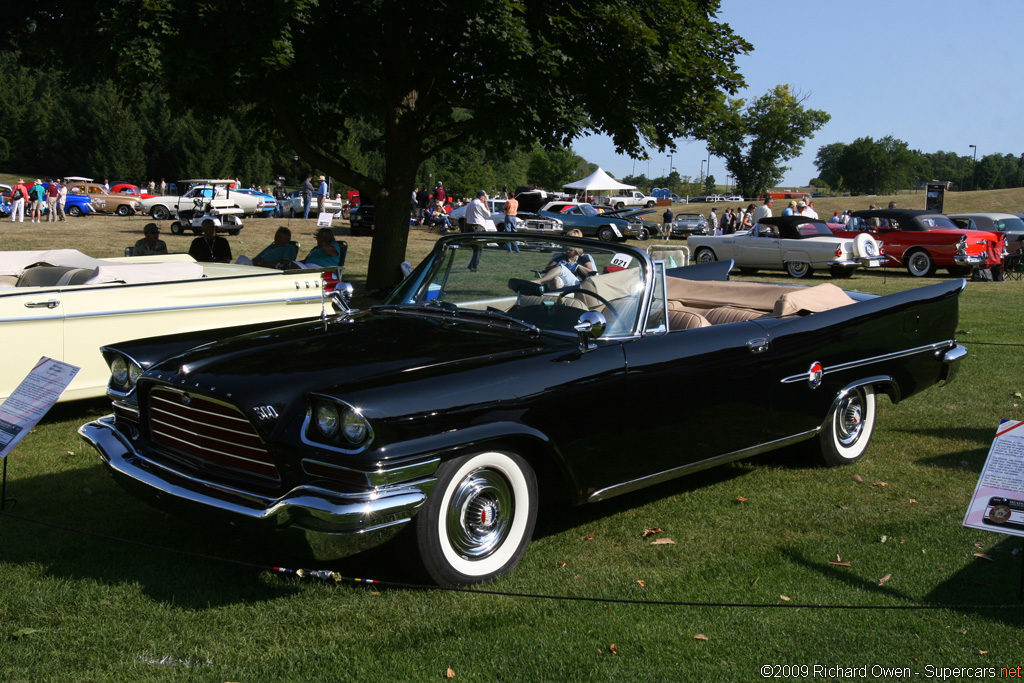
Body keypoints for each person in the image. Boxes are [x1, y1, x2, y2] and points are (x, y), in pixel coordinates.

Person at [463, 190, 491, 271]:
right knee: (479, 247)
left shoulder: (471, 203)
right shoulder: (479, 204)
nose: (485, 199)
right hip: (477, 226)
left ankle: (472, 264)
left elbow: (466, 217)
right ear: (481, 197)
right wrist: (486, 204)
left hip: (470, 226)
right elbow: (488, 214)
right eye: (484, 197)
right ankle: (473, 266)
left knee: (476, 247)